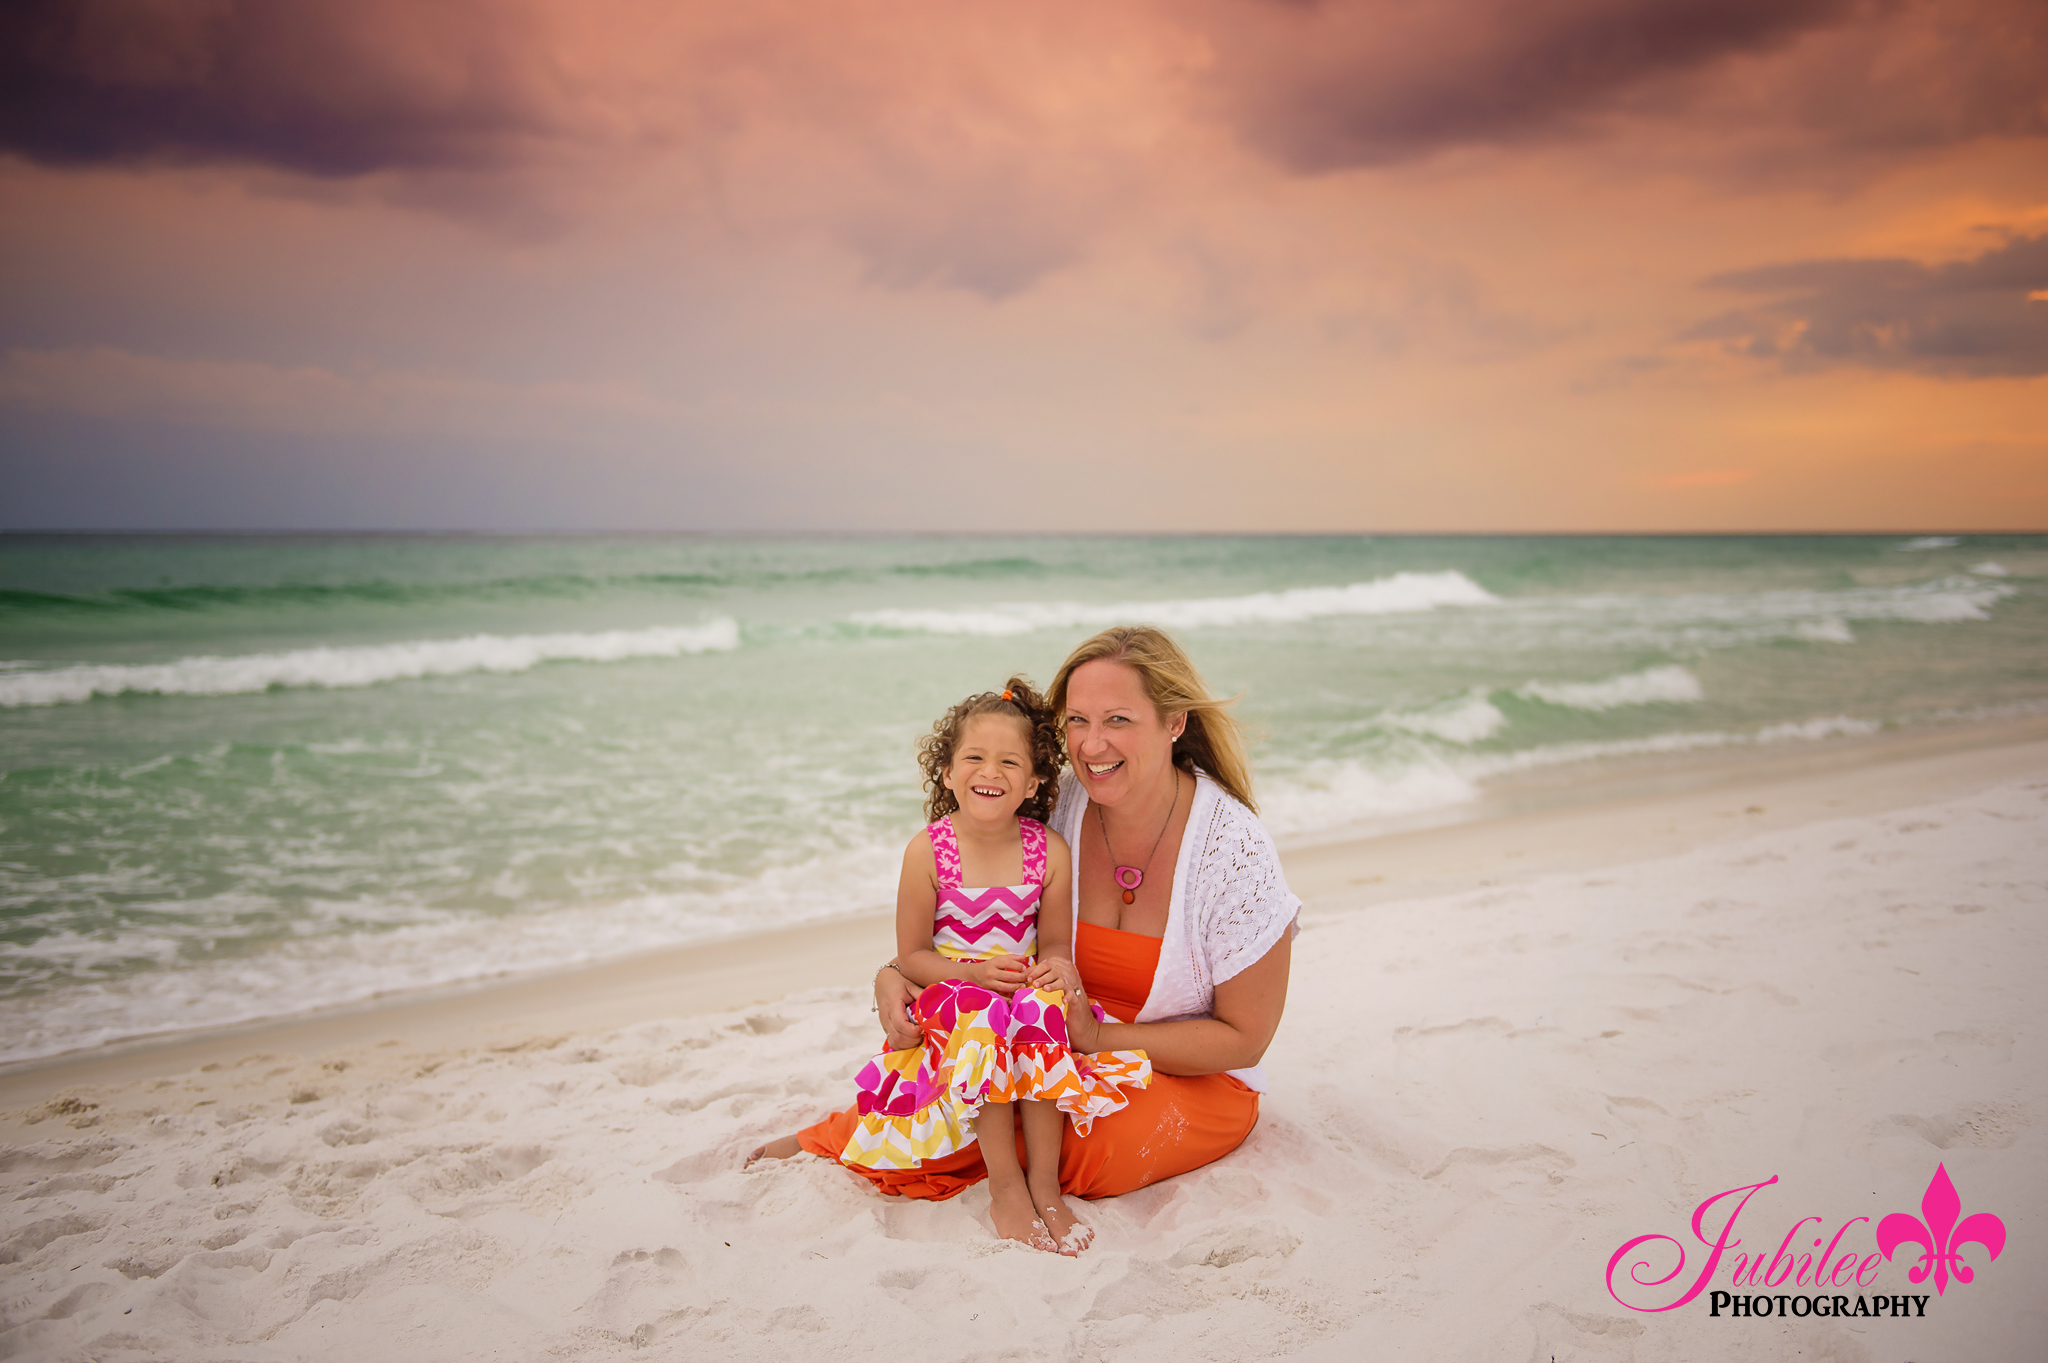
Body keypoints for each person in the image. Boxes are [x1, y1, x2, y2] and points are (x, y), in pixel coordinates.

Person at [754, 627, 1297, 1224]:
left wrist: (1097, 1040)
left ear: (1174, 722)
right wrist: (891, 974)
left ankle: (879, 1139)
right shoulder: (1059, 805)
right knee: (988, 1081)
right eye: (1076, 721)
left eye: (1118, 720)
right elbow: (977, 918)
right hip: (1038, 1045)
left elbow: (1245, 1038)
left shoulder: (1233, 850)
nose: (1091, 746)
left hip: (1181, 1073)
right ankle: (850, 1134)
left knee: (1081, 1141)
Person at [755, 679, 1150, 1254]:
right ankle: (1007, 1186)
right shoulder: (928, 850)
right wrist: (971, 975)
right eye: (974, 757)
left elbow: (1058, 946)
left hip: (1016, 981)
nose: (990, 772)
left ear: (1035, 781)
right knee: (984, 1014)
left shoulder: (1049, 852)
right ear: (946, 772)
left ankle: (1045, 1184)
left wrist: (1055, 975)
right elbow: (912, 953)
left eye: (1009, 761)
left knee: (1043, 1011)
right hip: (949, 990)